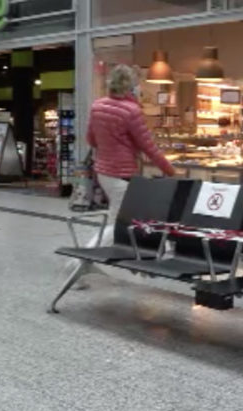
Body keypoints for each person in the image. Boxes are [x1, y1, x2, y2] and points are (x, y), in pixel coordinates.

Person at [66, 64, 176, 289]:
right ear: (130, 86)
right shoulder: (130, 111)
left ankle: (137, 260)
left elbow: (91, 139)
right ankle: (79, 262)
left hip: (104, 170)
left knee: (125, 218)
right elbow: (148, 145)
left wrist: (110, 145)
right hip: (122, 173)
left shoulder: (98, 106)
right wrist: (169, 169)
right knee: (117, 223)